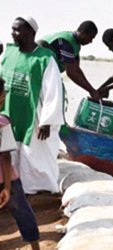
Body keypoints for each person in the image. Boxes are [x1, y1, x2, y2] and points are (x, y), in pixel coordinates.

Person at [0, 16, 64, 194]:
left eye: (17, 30)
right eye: (12, 29)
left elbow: (53, 91)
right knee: (8, 151)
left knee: (34, 154)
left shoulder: (44, 58)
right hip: (8, 113)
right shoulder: (9, 53)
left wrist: (47, 120)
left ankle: (36, 188)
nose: (12, 33)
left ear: (30, 32)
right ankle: (10, 184)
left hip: (34, 115)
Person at [0, 78, 40, 250]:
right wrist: (7, 187)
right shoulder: (3, 122)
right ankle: (35, 246)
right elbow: (6, 156)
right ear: (1, 97)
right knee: (23, 212)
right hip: (7, 178)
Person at [38, 21, 100, 100]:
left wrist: (92, 90)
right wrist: (91, 91)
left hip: (47, 74)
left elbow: (77, 69)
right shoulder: (66, 42)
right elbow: (71, 73)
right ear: (83, 33)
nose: (91, 41)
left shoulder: (75, 44)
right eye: (90, 38)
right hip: (39, 74)